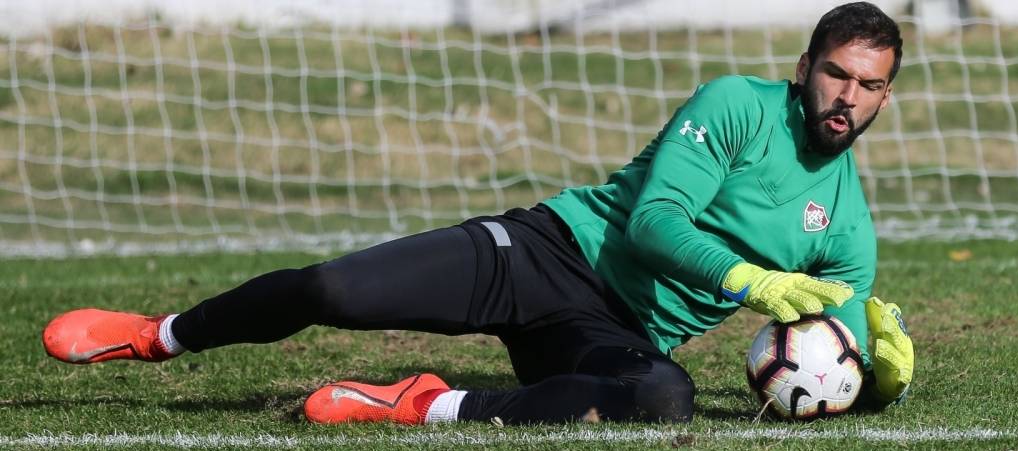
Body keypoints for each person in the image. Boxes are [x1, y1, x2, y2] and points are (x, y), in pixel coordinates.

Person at [41, 1, 914, 426]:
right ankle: (158, 336)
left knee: (662, 398)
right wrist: (749, 281)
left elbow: (838, 348)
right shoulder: (734, 105)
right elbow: (654, 223)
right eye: (836, 73)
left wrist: (883, 371)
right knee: (332, 291)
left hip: (609, 330)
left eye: (869, 85)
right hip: (544, 252)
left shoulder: (845, 228)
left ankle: (424, 403)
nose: (848, 96)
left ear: (885, 96)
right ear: (804, 67)